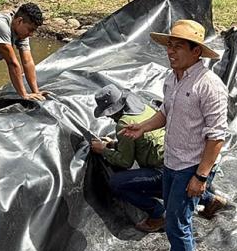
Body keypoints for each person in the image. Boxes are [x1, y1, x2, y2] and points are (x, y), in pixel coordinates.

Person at [121, 19, 228, 251]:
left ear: (197, 52)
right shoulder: (172, 79)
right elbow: (166, 113)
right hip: (172, 160)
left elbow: (217, 137)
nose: (171, 52)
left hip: (191, 166)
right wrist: (142, 127)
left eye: (178, 47)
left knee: (178, 223)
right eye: (170, 46)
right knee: (171, 215)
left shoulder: (210, 86)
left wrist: (201, 177)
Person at [91, 85, 227, 233]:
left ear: (113, 111)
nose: (108, 117)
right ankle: (209, 200)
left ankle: (157, 214)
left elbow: (125, 161)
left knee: (117, 183)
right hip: (183, 162)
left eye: (108, 114)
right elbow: (143, 142)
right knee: (170, 184)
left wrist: (103, 150)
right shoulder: (145, 109)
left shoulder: (124, 123)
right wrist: (113, 144)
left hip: (165, 170)